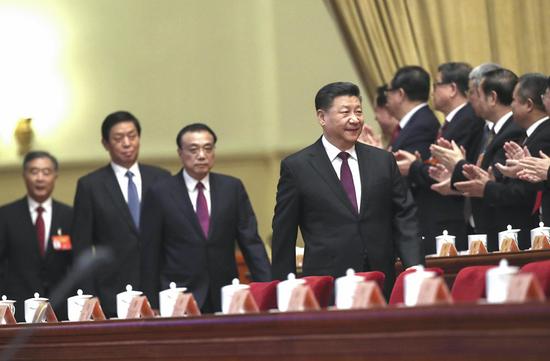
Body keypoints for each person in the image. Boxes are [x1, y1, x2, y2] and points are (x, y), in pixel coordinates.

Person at [271, 82, 423, 298]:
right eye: (345, 112)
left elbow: (404, 216)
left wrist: (414, 268)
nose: (355, 119)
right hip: (328, 283)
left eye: (358, 112)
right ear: (322, 117)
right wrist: (283, 289)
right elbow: (284, 233)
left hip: (381, 278)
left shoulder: (382, 160)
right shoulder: (297, 167)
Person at [140, 123, 271, 313]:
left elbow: (251, 242)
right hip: (178, 296)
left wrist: (267, 289)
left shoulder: (231, 188)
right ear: (180, 153)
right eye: (193, 149)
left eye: (207, 148)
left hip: (225, 294)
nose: (201, 155)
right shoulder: (160, 192)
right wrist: (152, 303)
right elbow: (150, 253)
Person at [71, 111, 170, 317]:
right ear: (105, 143)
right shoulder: (90, 185)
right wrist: (90, 298)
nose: (127, 143)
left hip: (159, 289)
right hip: (111, 292)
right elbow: (82, 246)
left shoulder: (162, 178)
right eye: (118, 138)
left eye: (132, 136)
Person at [396, 62, 485, 252]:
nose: (432, 92)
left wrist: (414, 167)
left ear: (452, 89)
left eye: (436, 85)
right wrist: (422, 163)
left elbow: (449, 171)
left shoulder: (467, 120)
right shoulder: (453, 122)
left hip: (453, 215)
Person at [433, 69, 525, 249]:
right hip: (487, 227)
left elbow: (493, 179)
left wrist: (458, 163)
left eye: (477, 94)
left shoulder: (513, 131)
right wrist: (455, 172)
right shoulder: (492, 131)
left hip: (505, 230)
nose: (472, 99)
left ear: (492, 98)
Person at [0, 151, 73, 321]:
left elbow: (75, 264)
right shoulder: (5, 216)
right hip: (17, 311)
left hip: (60, 311)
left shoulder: (70, 215)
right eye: (34, 172)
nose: (40, 178)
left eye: (46, 172)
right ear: (24, 175)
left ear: (55, 176)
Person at [385, 65, 441, 253]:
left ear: (400, 94)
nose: (387, 98)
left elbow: (407, 172)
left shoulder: (422, 124)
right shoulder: (413, 123)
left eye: (389, 92)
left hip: (421, 215)